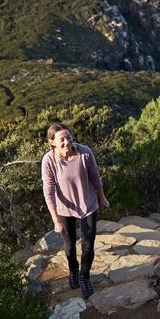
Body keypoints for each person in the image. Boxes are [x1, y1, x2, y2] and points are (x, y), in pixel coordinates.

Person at [41, 122, 110, 299]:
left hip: (88, 205)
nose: (66, 142)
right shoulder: (49, 160)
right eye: (61, 139)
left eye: (68, 137)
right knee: (70, 245)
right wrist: (56, 219)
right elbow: (48, 192)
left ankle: (85, 278)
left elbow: (95, 177)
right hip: (65, 209)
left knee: (88, 245)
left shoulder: (84, 152)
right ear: (52, 142)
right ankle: (73, 270)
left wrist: (102, 198)